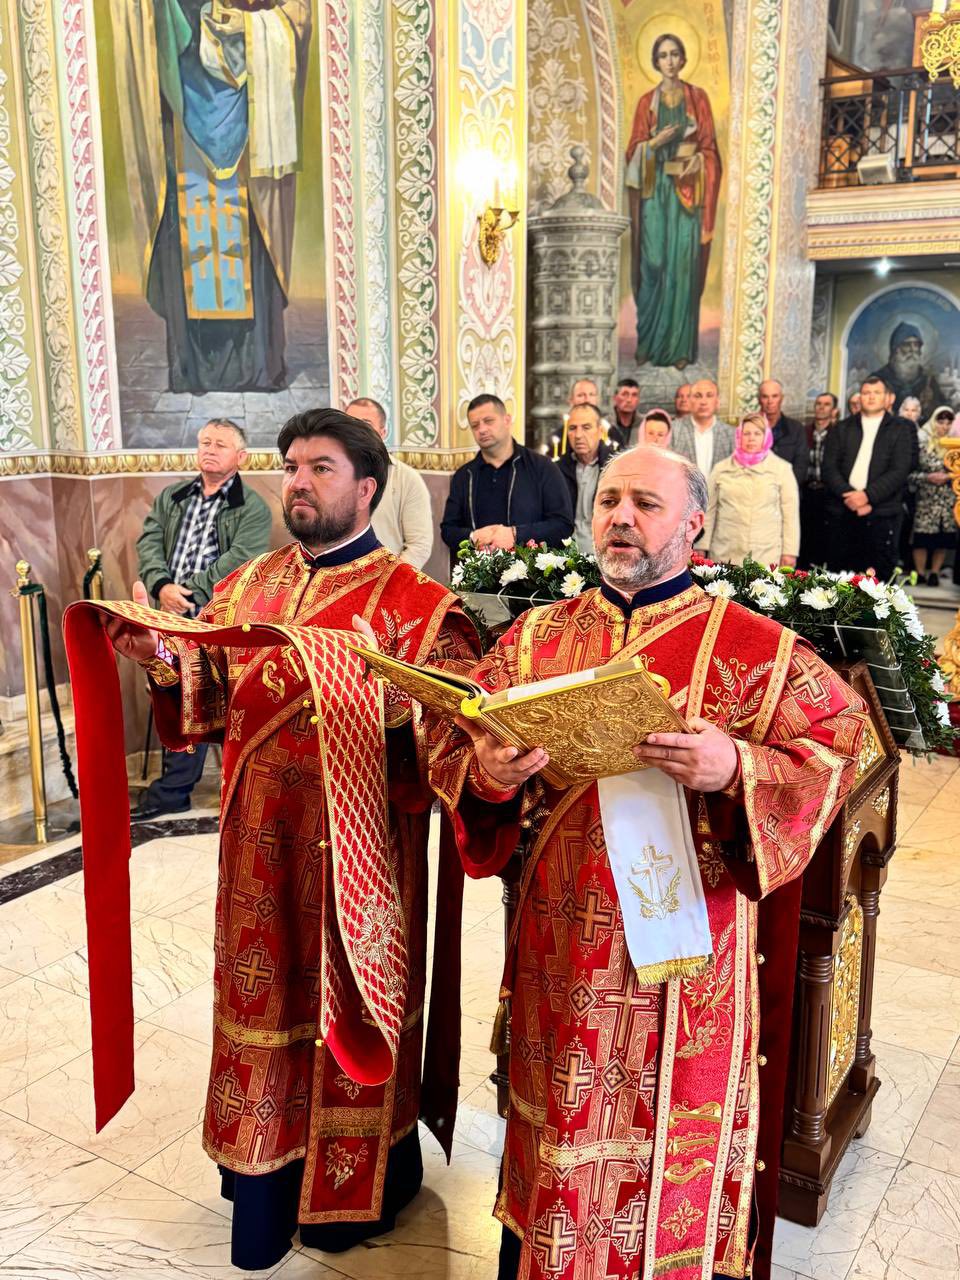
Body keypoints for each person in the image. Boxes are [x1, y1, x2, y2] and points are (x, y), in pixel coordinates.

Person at [430, 444, 866, 1280]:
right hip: (561, 950)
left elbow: (841, 744)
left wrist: (736, 765)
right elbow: (452, 734)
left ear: (694, 523)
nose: (621, 518)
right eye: (609, 502)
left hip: (688, 965)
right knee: (560, 1123)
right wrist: (487, 771)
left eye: (646, 504)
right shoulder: (536, 637)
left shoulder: (755, 648)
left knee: (662, 1136)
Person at [102, 409, 479, 1270]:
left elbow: (453, 741)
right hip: (257, 858)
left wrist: (400, 714)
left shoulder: (418, 606)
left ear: (367, 489)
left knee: (350, 1013)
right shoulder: (249, 586)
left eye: (321, 468)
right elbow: (205, 694)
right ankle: (265, 1186)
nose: (298, 482)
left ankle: (352, 1193)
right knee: (264, 1005)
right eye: (293, 466)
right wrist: (160, 655)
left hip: (361, 866)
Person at [111, 1, 311, 391]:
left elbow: (298, 14)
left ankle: (257, 365)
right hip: (182, 99)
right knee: (190, 224)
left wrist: (249, 26)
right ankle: (197, 368)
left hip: (250, 111)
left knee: (246, 231)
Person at [132, 419, 271, 819]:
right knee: (172, 691)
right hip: (168, 613)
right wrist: (161, 586)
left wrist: (187, 593)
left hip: (217, 619)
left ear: (241, 456)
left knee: (215, 696)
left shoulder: (253, 508)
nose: (209, 449)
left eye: (220, 444)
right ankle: (173, 791)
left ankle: (230, 788)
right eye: (204, 442)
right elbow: (149, 541)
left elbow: (240, 560)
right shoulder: (172, 496)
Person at [625, 34, 722, 368]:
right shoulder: (646, 103)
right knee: (652, 262)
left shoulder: (698, 98)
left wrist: (699, 161)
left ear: (683, 60)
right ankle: (648, 342)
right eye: (663, 55)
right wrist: (653, 144)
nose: (669, 61)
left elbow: (710, 149)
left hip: (686, 195)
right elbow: (632, 152)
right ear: (656, 62)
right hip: (654, 192)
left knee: (682, 267)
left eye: (674, 54)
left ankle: (679, 349)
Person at [441, 394, 574, 558]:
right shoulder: (464, 475)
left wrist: (516, 534)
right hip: (479, 570)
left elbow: (563, 525)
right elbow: (448, 530)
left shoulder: (542, 467)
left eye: (488, 421)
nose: (482, 430)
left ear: (507, 420)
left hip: (530, 570)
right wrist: (473, 537)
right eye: (475, 425)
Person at [822, 375, 914, 578]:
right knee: (839, 580)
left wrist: (867, 496)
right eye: (866, 393)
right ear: (860, 397)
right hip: (843, 511)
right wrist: (851, 496)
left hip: (882, 514)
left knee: (878, 582)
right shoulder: (841, 428)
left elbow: (899, 470)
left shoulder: (901, 429)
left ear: (888, 398)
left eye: (876, 393)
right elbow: (829, 468)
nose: (871, 397)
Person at [701, 412, 800, 567]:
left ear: (766, 437)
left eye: (757, 433)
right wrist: (701, 546)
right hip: (725, 552)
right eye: (746, 433)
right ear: (739, 436)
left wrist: (790, 552)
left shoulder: (782, 469)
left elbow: (790, 515)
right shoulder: (721, 469)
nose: (751, 438)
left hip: (766, 554)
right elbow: (709, 511)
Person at [345, 396, 433, 568]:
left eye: (365, 424)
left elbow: (419, 546)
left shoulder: (407, 479)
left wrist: (388, 578)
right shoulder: (329, 475)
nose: (355, 431)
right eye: (349, 424)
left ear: (383, 432)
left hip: (387, 577)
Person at [556, 404, 616, 552]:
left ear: (600, 431)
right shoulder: (557, 469)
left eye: (586, 427)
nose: (578, 435)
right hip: (564, 555)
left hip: (604, 553)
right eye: (572, 428)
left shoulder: (615, 468)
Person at [911, 406, 958, 586]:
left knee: (942, 539)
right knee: (921, 538)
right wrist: (927, 477)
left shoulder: (955, 446)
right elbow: (909, 474)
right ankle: (920, 573)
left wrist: (949, 476)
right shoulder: (921, 444)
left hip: (947, 500)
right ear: (933, 422)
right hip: (926, 500)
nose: (944, 426)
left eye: (948, 423)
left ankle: (935, 573)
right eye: (941, 422)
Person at [870, 320, 946, 418]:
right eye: (907, 345)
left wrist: (930, 403)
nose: (912, 349)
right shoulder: (879, 379)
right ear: (895, 349)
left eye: (916, 345)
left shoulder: (928, 379)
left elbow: (943, 412)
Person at [800, 392, 838, 568]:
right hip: (806, 490)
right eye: (818, 404)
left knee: (826, 538)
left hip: (828, 492)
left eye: (826, 404)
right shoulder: (804, 432)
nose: (821, 407)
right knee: (805, 535)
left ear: (834, 410)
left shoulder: (838, 433)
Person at [671, 378, 735, 476]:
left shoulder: (731, 434)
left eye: (709, 396)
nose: (703, 402)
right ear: (690, 401)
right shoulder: (673, 430)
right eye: (698, 396)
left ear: (717, 401)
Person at [758, 379, 809, 485]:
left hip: (788, 488)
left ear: (782, 398)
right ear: (759, 400)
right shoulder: (749, 428)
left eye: (775, 396)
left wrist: (785, 487)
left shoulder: (796, 429)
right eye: (765, 397)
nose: (770, 401)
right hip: (757, 489)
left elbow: (801, 465)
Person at [560, 378, 613, 452]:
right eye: (581, 395)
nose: (587, 400)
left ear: (597, 399)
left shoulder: (612, 433)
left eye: (591, 394)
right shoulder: (560, 437)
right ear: (571, 400)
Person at [607, 378, 641, 448]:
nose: (629, 400)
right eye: (625, 394)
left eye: (634, 395)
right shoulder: (604, 424)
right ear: (615, 398)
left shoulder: (645, 425)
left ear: (638, 400)